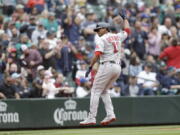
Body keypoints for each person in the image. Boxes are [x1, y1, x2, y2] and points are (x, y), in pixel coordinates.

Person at [80, 9, 130, 126]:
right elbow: (127, 30)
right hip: (117, 68)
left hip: (107, 65)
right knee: (104, 91)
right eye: (96, 30)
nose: (97, 31)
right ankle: (110, 114)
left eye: (99, 29)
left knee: (95, 91)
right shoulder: (117, 36)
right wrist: (125, 19)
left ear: (105, 29)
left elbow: (97, 55)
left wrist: (90, 66)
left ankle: (91, 117)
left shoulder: (102, 39)